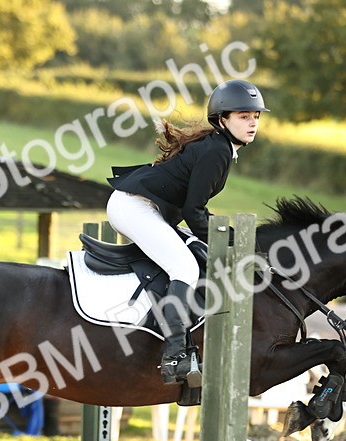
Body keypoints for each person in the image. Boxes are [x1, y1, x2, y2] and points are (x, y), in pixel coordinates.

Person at [106, 79, 268, 386]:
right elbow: (194, 211)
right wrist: (229, 243)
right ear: (223, 119)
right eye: (244, 116)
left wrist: (230, 239)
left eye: (256, 116)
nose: (252, 123)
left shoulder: (220, 147)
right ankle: (175, 354)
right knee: (184, 266)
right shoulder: (217, 151)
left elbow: (195, 211)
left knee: (192, 255)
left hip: (141, 206)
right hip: (134, 207)